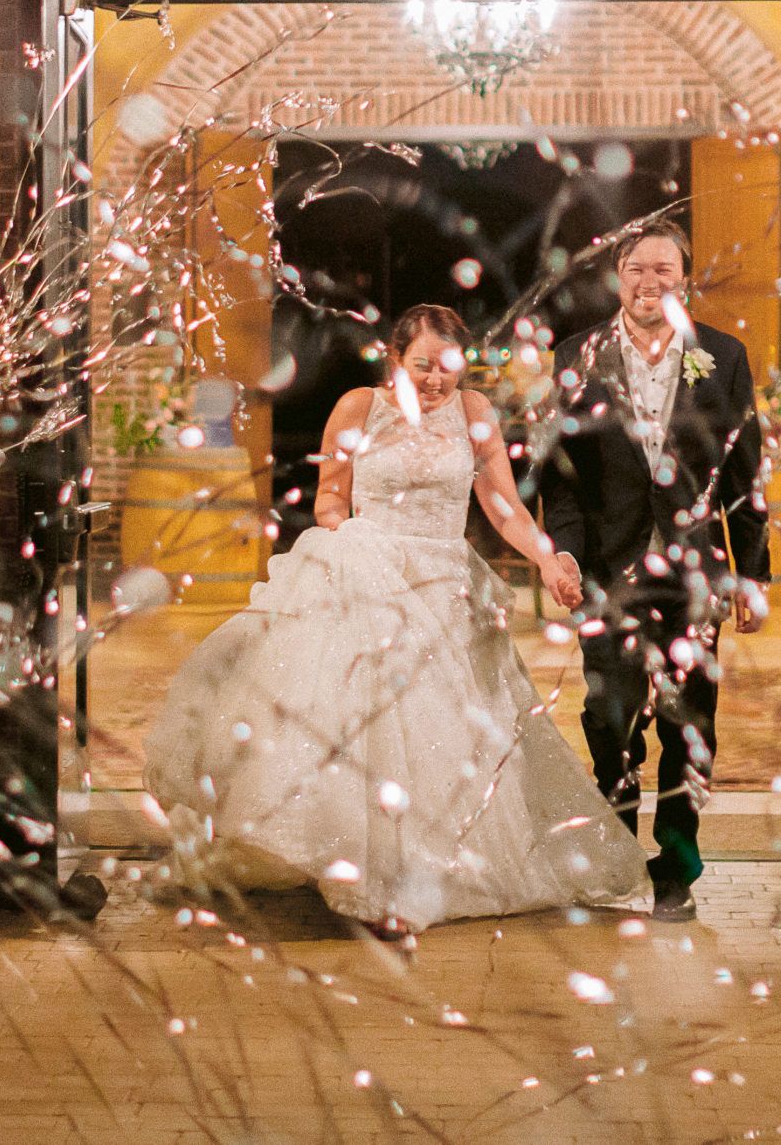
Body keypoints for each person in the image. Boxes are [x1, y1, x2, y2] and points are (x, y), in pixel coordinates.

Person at [145, 302, 644, 934]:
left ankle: (427, 873)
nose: (436, 381)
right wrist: (351, 540)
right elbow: (331, 497)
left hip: (444, 587)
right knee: (372, 729)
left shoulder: (475, 414)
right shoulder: (358, 408)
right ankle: (370, 872)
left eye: (448, 368)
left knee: (446, 738)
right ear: (394, 360)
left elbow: (502, 506)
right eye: (422, 366)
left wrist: (549, 561)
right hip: (369, 576)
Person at [536, 220, 770, 923]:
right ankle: (614, 844)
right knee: (609, 714)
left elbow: (743, 475)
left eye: (664, 270)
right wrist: (566, 553)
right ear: (618, 277)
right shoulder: (577, 354)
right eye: (637, 269)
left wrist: (750, 575)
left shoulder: (722, 357)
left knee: (688, 721)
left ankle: (677, 866)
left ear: (684, 277)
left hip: (694, 570)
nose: (650, 282)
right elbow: (563, 474)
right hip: (608, 566)